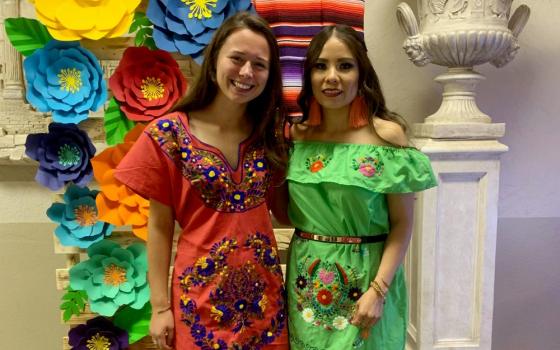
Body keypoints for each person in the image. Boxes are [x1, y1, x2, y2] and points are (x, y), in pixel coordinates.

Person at [114, 12, 289, 350]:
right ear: (214, 60)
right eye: (237, 59)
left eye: (260, 64)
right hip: (199, 305)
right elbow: (160, 227)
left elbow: (287, 211)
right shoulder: (171, 135)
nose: (246, 72)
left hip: (266, 305)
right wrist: (160, 307)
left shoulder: (271, 135)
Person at [284, 25, 437, 349]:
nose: (332, 76)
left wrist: (379, 290)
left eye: (344, 65)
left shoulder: (387, 137)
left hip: (368, 284)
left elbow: (402, 223)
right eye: (321, 66)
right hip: (306, 285)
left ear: (361, 72)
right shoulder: (297, 136)